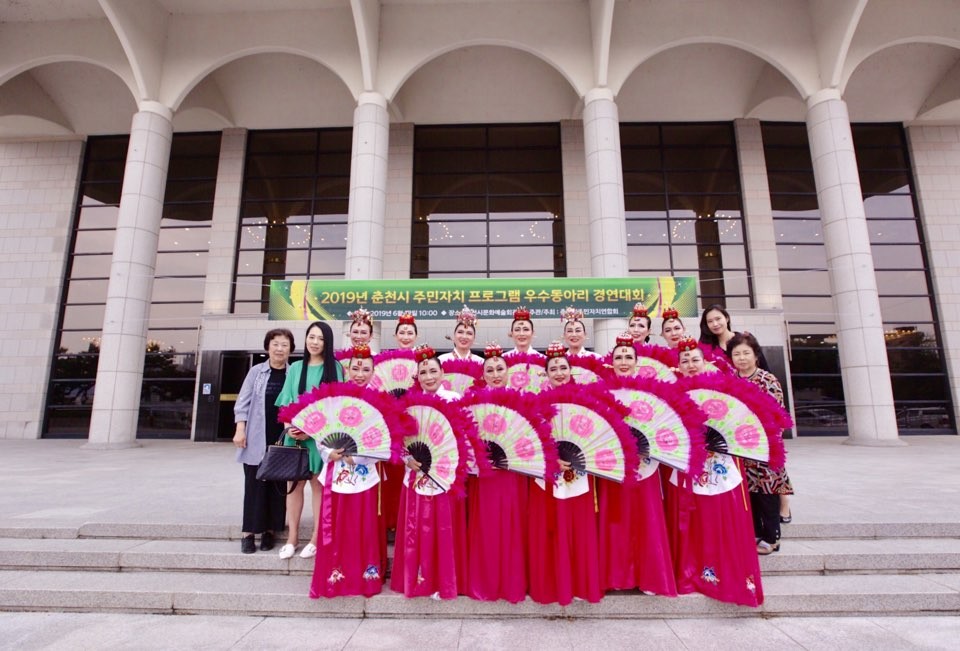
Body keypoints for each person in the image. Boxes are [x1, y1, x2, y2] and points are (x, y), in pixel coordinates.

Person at [673, 337, 764, 607]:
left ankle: (730, 575)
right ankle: (698, 573)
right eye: (685, 361)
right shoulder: (674, 393)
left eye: (695, 360)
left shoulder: (726, 390)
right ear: (678, 366)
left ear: (706, 362)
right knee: (697, 521)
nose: (690, 365)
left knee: (724, 519)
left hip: (721, 466)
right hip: (690, 466)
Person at [597, 333, 677, 596]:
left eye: (628, 357)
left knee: (647, 518)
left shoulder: (651, 392)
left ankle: (650, 577)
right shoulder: (601, 392)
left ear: (636, 361)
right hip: (613, 467)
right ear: (611, 362)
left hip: (646, 465)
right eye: (618, 357)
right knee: (614, 519)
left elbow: (664, 429)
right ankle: (615, 576)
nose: (623, 361)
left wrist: (648, 446)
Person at [527, 341, 602, 605]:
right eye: (553, 369)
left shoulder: (588, 402)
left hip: (580, 475)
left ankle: (581, 584)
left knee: (579, 530)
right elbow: (529, 441)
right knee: (549, 530)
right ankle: (550, 584)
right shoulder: (535, 403)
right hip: (547, 475)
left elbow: (599, 438)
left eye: (563, 368)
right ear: (545, 374)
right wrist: (551, 457)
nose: (559, 372)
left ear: (571, 371)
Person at [310, 344, 388, 597]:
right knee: (338, 527)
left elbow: (383, 442)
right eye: (356, 368)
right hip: (337, 472)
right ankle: (335, 576)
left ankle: (366, 577)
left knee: (363, 528)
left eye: (366, 369)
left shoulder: (380, 402)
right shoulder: (333, 399)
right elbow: (321, 432)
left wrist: (361, 457)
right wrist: (327, 453)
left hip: (365, 476)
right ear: (347, 370)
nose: (360, 373)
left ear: (373, 372)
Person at [390, 344, 464, 599]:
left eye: (433, 371)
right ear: (417, 377)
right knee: (416, 527)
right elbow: (397, 440)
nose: (429, 377)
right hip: (416, 474)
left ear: (443, 373)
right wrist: (406, 458)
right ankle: (418, 578)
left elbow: (462, 438)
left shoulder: (455, 400)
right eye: (423, 372)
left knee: (443, 527)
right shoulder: (408, 404)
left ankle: (444, 580)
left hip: (446, 475)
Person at [464, 342, 528, 602]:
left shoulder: (521, 401)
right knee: (485, 526)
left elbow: (529, 439)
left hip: (513, 473)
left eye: (500, 368)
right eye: (490, 370)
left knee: (514, 527)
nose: (495, 373)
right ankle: (485, 582)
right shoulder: (473, 402)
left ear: (508, 371)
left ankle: (513, 583)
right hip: (485, 475)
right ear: (484, 374)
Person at [275, 321, 344, 560]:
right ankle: (292, 537)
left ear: (327, 342)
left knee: (318, 486)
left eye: (320, 338)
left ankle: (315, 537)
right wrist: (289, 427)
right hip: (294, 438)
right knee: (293, 488)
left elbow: (337, 408)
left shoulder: (334, 368)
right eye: (311, 337)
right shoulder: (295, 368)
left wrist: (313, 432)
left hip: (320, 441)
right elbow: (285, 402)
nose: (314, 342)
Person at [728, 332, 794, 555]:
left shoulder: (767, 379)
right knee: (749, 492)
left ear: (756, 355)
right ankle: (755, 533)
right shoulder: (730, 380)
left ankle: (772, 537)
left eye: (746, 353)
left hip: (764, 445)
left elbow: (776, 412)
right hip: (738, 446)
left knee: (767, 491)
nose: (742, 358)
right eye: (736, 354)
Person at [233, 328, 294, 554]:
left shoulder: (293, 373)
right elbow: (242, 403)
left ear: (290, 349)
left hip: (282, 438)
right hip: (256, 436)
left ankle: (270, 530)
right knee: (254, 484)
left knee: (278, 485)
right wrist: (241, 429)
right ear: (268, 346)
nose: (279, 349)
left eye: (284, 345)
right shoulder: (256, 372)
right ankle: (249, 532)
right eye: (275, 344)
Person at [698, 303, 762, 372]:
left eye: (718, 319)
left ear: (727, 318)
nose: (715, 324)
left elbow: (762, 366)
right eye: (710, 321)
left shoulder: (745, 339)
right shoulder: (704, 347)